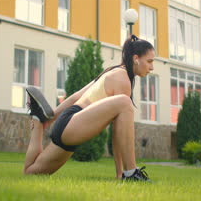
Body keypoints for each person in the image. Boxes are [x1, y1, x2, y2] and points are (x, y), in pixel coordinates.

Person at [23, 34, 155, 181]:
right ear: (136, 59)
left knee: (31, 172)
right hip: (74, 124)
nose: (152, 67)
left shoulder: (111, 71)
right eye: (149, 61)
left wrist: (51, 117)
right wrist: (121, 173)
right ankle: (131, 173)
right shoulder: (123, 78)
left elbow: (76, 96)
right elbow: (118, 135)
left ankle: (37, 119)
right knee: (125, 102)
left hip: (69, 125)